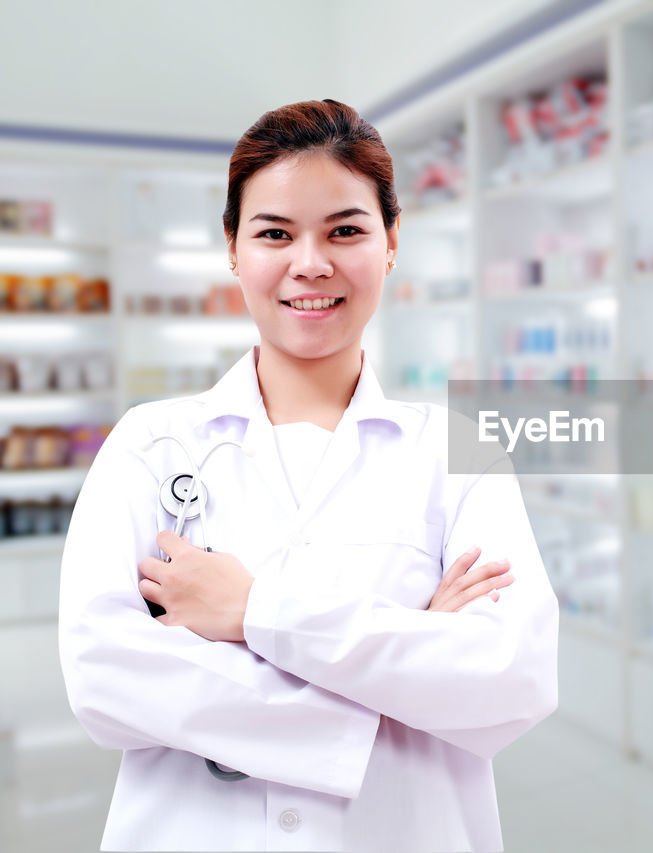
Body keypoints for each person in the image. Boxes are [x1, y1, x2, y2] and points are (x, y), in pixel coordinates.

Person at [58, 99, 559, 853]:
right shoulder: (150, 444)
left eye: (346, 230)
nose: (311, 263)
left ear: (392, 242)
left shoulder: (461, 454)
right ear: (233, 247)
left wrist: (251, 610)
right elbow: (104, 676)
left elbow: (509, 677)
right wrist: (403, 665)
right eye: (274, 233)